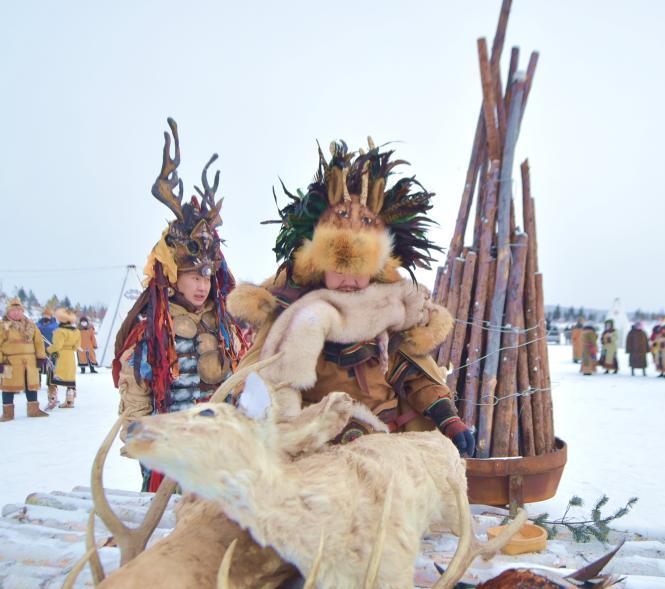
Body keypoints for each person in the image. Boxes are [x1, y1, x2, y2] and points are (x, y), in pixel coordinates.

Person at [228, 138, 474, 456]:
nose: (349, 280)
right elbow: (262, 381)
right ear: (319, 265)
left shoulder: (391, 309)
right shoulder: (292, 313)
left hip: (386, 449)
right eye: (338, 268)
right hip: (316, 453)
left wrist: (447, 417)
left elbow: (413, 375)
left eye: (360, 269)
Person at [113, 118, 245, 490]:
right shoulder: (151, 329)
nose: (202, 285)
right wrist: (141, 440)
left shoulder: (226, 325)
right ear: (172, 275)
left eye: (206, 276)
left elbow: (239, 380)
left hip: (220, 453)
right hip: (169, 457)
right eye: (193, 276)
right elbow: (136, 393)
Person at [0, 297, 49, 420]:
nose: (16, 312)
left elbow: (38, 342)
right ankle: (7, 413)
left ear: (22, 311)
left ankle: (33, 410)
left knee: (31, 385)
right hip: (8, 362)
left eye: (19, 310)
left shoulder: (31, 325)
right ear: (8, 312)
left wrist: (41, 357)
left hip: (30, 362)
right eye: (13, 310)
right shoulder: (3, 326)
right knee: (7, 387)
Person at [47, 308, 81, 408]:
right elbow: (76, 346)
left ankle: (52, 399)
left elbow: (57, 346)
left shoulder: (59, 331)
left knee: (52, 378)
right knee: (70, 378)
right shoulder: (77, 331)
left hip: (59, 356)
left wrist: (47, 350)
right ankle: (70, 401)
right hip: (70, 356)